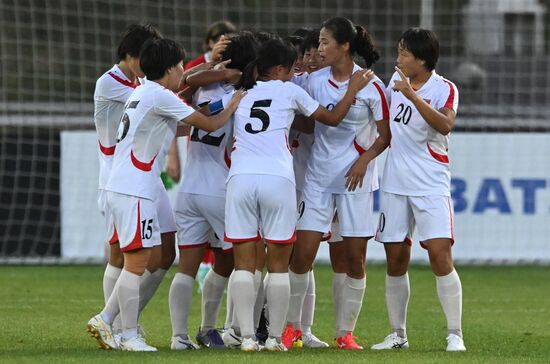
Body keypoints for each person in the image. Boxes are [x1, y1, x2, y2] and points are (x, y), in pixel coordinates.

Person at [86, 37, 245, 352]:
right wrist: (232, 105)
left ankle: (112, 321)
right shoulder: (160, 95)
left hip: (122, 184)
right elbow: (211, 125)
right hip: (135, 187)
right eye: (181, 66)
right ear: (171, 68)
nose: (183, 72)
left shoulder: (145, 91)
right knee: (136, 260)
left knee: (141, 255)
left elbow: (181, 126)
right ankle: (122, 330)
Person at [223, 38, 372, 352]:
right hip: (277, 179)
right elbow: (331, 119)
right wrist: (352, 89)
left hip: (239, 178)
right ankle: (276, 338)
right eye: (291, 69)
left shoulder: (241, 94)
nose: (295, 73)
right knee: (278, 264)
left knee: (244, 264)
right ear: (279, 69)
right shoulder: (290, 91)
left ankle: (247, 337)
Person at [285, 17, 390, 350]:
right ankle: (292, 328)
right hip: (317, 179)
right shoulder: (313, 82)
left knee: (354, 259)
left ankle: (345, 333)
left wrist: (363, 160)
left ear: (345, 46)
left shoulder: (373, 86)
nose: (319, 49)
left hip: (356, 182)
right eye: (318, 42)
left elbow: (386, 136)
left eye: (325, 42)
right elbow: (296, 118)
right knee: (302, 255)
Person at [372, 27, 465, 352]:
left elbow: (445, 124)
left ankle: (455, 333)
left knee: (440, 255)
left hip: (430, 184)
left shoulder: (445, 88)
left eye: (404, 53)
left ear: (422, 60)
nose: (398, 58)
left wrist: (412, 95)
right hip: (396, 185)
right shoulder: (392, 85)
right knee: (396, 259)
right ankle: (397, 335)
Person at [168, 31, 259, 351]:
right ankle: (230, 329)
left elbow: (182, 86)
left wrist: (212, 65)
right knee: (243, 262)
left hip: (189, 190)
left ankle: (179, 337)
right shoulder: (247, 96)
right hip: (221, 191)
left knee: (187, 268)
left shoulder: (201, 87)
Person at [92, 23, 162, 341]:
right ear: (131, 55)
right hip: (114, 178)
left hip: (135, 177)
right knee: (120, 255)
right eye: (146, 57)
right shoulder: (109, 83)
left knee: (151, 253)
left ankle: (117, 323)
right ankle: (116, 326)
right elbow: (161, 94)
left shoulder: (138, 81)